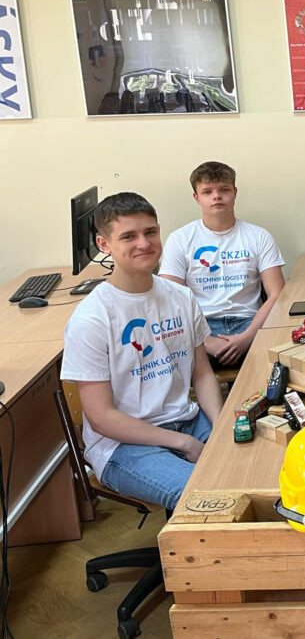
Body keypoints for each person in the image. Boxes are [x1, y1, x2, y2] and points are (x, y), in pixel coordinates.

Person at [62, 192, 223, 510]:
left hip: (187, 420)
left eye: (150, 232)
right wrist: (184, 443)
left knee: (253, 467)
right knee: (208, 497)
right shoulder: (91, 319)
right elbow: (102, 418)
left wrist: (219, 429)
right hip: (123, 445)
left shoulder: (181, 297)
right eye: (129, 236)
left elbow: (203, 374)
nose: (144, 243)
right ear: (104, 244)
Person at [160, 161, 285, 366]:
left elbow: (277, 294)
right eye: (207, 191)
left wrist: (246, 338)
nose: (216, 196)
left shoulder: (259, 236)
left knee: (282, 358)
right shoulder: (180, 239)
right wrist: (205, 342)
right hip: (200, 326)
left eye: (224, 190)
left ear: (235, 192)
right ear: (196, 197)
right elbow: (169, 299)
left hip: (250, 324)